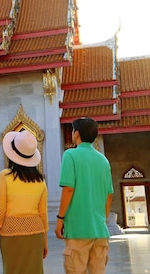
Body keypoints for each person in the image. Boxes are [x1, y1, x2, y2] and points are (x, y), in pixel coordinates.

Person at [55, 117, 113, 274]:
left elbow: (68, 189)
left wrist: (60, 218)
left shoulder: (70, 155)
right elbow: (109, 195)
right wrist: (102, 220)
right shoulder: (103, 160)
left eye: (73, 130)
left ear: (76, 134)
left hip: (78, 229)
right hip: (100, 231)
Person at [0, 130, 48, 274]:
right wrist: (45, 240)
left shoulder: (5, 176)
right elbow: (43, 213)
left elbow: (0, 209)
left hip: (11, 235)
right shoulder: (40, 180)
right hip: (36, 235)